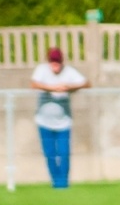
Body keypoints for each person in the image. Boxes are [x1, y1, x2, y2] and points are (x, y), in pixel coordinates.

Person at [30, 47, 89, 189]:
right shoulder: (41, 70)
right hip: (44, 122)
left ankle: (63, 183)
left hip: (63, 122)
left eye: (57, 62)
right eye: (52, 62)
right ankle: (55, 181)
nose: (55, 65)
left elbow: (87, 83)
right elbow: (33, 84)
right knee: (49, 153)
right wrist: (52, 88)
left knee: (64, 153)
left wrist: (70, 87)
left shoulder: (69, 72)